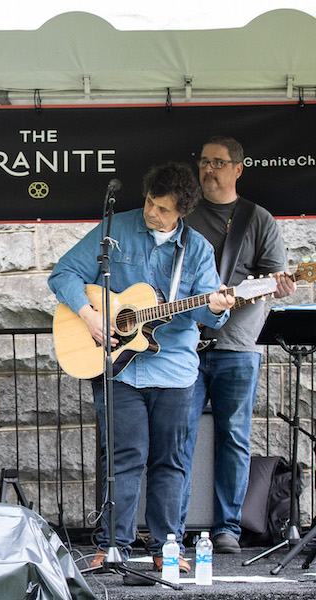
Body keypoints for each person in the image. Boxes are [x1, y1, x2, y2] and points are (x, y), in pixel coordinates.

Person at [48, 162, 234, 573]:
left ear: (181, 212)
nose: (153, 212)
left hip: (174, 370)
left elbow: (208, 309)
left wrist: (217, 307)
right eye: (151, 202)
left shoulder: (198, 248)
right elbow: (63, 273)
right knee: (122, 457)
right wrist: (89, 314)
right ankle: (112, 544)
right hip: (119, 367)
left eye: (164, 209)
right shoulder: (116, 227)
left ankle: (167, 548)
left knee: (170, 460)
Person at [179, 136, 295, 553]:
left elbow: (274, 280)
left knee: (233, 437)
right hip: (182, 344)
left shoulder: (257, 218)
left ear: (238, 168)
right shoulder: (183, 216)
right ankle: (173, 526)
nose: (208, 169)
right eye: (204, 162)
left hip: (237, 344)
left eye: (217, 163)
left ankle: (227, 527)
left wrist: (278, 287)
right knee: (179, 435)